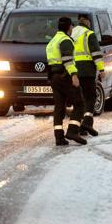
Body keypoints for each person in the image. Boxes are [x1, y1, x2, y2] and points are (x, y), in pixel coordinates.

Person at [46, 17, 87, 146]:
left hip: (54, 76)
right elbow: (68, 60)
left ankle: (59, 137)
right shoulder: (65, 40)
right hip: (65, 75)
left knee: (59, 107)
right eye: (71, 27)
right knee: (79, 103)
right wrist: (74, 75)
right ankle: (73, 131)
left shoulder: (53, 40)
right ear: (69, 27)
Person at [71, 14, 105, 136]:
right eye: (89, 22)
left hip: (73, 71)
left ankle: (79, 127)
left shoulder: (71, 33)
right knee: (90, 97)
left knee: (79, 99)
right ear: (85, 21)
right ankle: (87, 123)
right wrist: (101, 69)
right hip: (87, 70)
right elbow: (96, 53)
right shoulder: (88, 34)